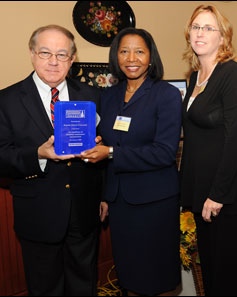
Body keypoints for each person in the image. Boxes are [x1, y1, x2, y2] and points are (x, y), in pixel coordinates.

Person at [0, 24, 105, 295]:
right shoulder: (4, 101)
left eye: (62, 55)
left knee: (84, 287)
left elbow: (104, 154)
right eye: (45, 52)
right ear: (32, 54)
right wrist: (38, 154)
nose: (53, 61)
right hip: (38, 216)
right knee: (44, 289)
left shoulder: (92, 96)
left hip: (84, 214)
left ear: (72, 59)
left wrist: (103, 191)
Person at [80, 28, 182, 295]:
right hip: (120, 202)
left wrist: (111, 152)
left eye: (139, 51)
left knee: (157, 277)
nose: (131, 58)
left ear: (150, 56)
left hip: (155, 202)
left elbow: (164, 152)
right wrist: (105, 195)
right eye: (124, 51)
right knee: (129, 273)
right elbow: (105, 146)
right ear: (116, 56)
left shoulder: (167, 94)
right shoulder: (109, 96)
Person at [179, 5, 237, 296]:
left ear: (223, 38)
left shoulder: (233, 75)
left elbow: (236, 139)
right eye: (196, 27)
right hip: (204, 193)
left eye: (209, 28)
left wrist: (217, 194)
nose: (200, 33)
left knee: (231, 280)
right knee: (214, 277)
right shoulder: (194, 78)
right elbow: (195, 139)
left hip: (231, 195)